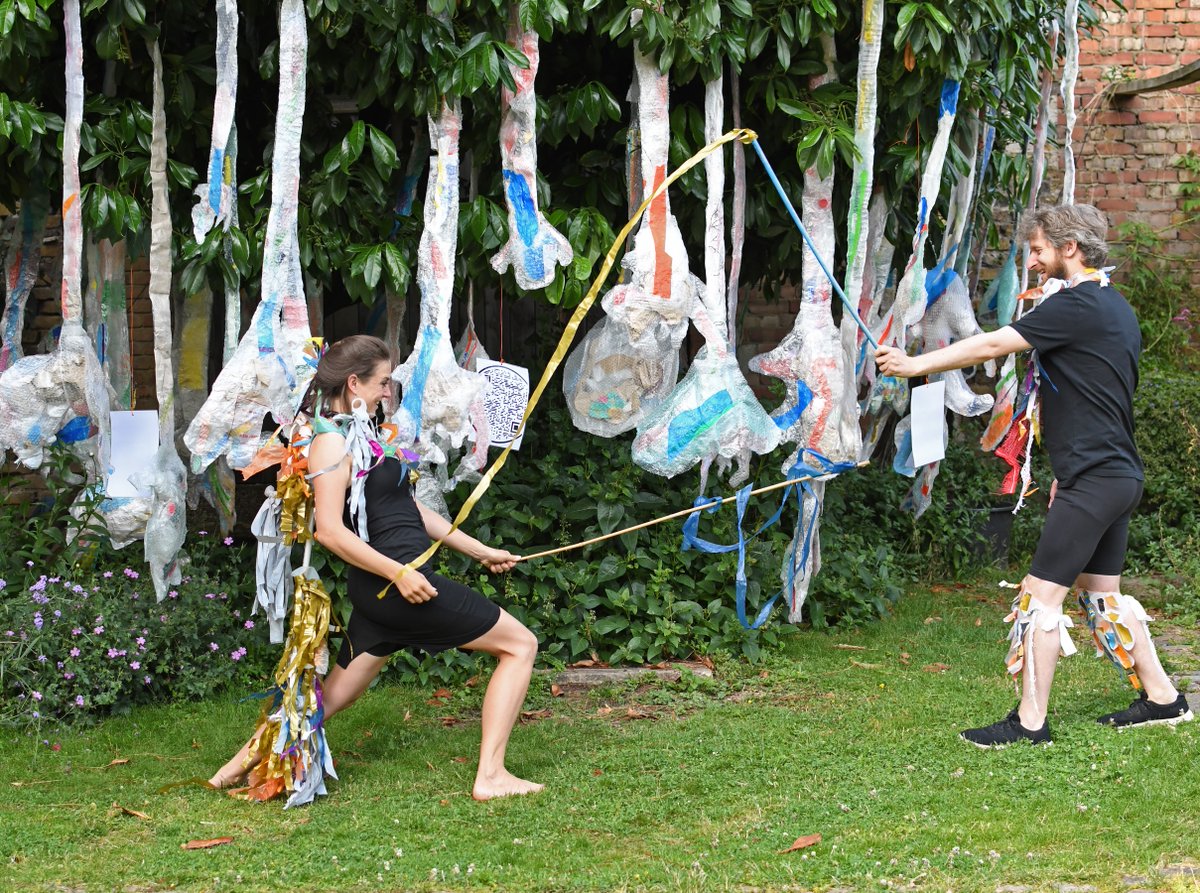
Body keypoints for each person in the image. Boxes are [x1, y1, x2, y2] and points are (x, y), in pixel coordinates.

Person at [875, 204, 1193, 747]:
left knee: (1040, 598)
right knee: (1102, 596)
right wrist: (1069, 470)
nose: (1034, 261)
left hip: (1096, 478)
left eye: (1040, 249)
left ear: (1071, 248)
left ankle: (1029, 723)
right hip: (1115, 475)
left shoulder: (1075, 305)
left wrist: (914, 364)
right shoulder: (1115, 307)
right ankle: (1165, 699)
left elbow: (995, 343)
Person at [209, 335, 543, 800]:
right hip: (397, 587)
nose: (389, 391)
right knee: (520, 645)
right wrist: (399, 574)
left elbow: (409, 510)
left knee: (330, 697)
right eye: (383, 382)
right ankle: (491, 776)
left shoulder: (362, 435)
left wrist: (480, 551)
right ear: (354, 383)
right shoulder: (330, 443)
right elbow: (329, 531)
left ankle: (229, 771)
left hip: (388, 590)